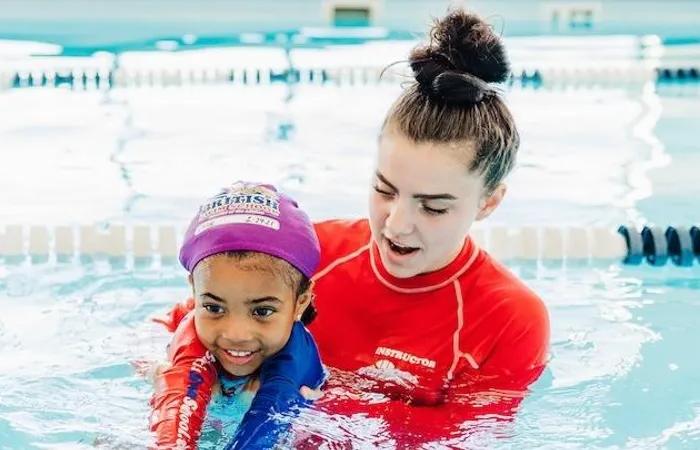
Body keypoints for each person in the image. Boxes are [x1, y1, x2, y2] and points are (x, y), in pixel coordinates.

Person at [157, 7, 550, 447]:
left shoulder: (509, 320)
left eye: (434, 208)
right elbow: (180, 323)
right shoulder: (312, 254)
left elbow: (467, 435)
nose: (397, 225)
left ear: (489, 201)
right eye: (385, 190)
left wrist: (314, 402)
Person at [146, 181, 327, 450]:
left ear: (300, 301)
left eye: (262, 311)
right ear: (195, 291)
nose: (236, 334)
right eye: (215, 308)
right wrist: (149, 370)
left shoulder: (313, 391)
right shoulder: (171, 338)